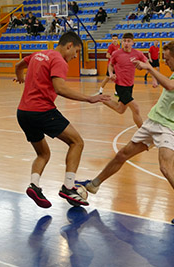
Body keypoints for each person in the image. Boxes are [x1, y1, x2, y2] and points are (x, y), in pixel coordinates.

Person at [75, 40, 174, 224]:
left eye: (167, 59)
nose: (165, 62)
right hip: (153, 121)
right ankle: (93, 185)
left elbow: (171, 85)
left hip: (170, 127)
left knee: (166, 168)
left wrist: (149, 67)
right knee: (123, 154)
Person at [14, 32, 110, 208]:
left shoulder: (38, 54)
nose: (75, 56)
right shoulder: (59, 60)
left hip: (23, 113)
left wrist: (20, 76)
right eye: (76, 51)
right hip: (42, 111)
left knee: (43, 154)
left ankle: (34, 185)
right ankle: (68, 186)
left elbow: (18, 65)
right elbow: (60, 89)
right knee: (77, 142)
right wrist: (89, 98)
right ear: (69, 46)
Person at [104, 32, 148, 128]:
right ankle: (144, 133)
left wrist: (143, 67)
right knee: (135, 108)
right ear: (122, 42)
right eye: (124, 41)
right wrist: (111, 74)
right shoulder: (116, 54)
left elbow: (147, 64)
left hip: (130, 86)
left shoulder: (138, 54)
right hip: (120, 86)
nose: (126, 43)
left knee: (120, 110)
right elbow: (110, 65)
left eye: (128, 41)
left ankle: (102, 99)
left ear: (133, 42)